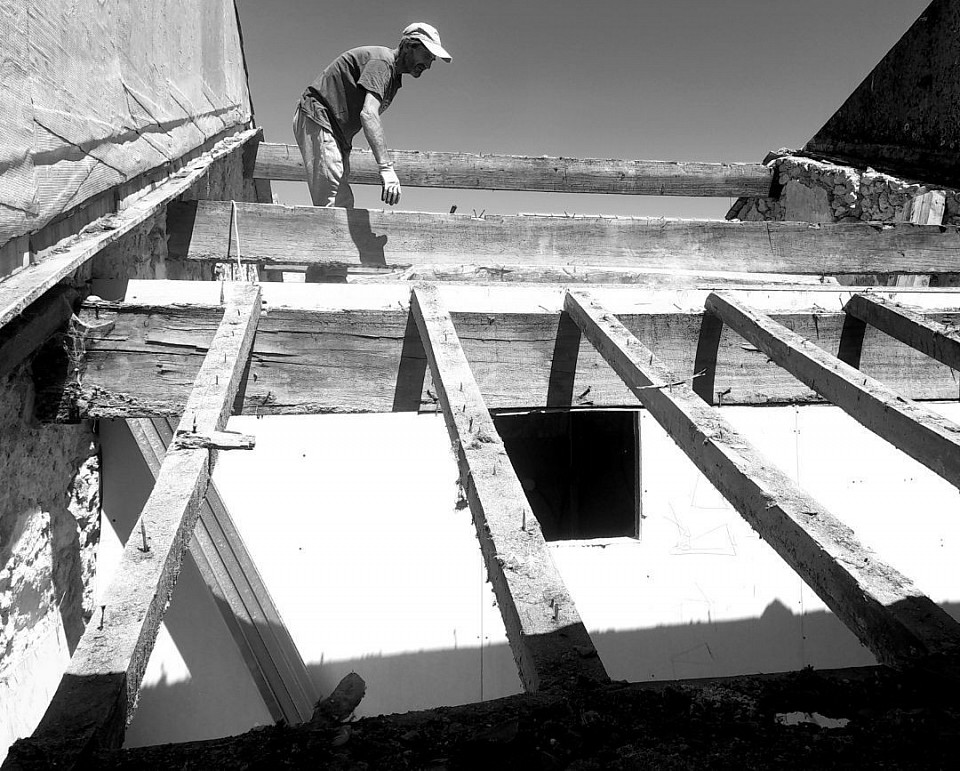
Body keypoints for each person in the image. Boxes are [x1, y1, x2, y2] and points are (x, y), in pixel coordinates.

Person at [293, 22, 451, 209]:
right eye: (427, 56)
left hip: (337, 133)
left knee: (340, 202)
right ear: (409, 46)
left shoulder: (393, 78)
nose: (428, 65)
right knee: (334, 202)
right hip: (319, 116)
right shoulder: (382, 63)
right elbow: (369, 114)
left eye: (432, 60)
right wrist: (386, 167)